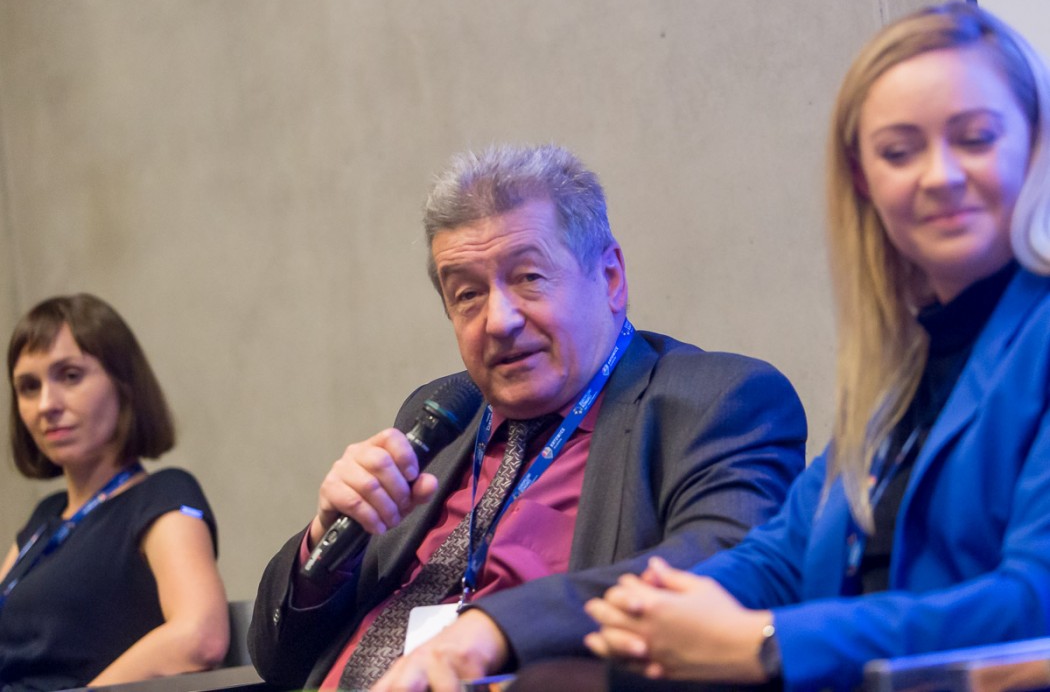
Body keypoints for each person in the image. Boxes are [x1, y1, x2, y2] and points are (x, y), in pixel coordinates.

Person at [582, 0, 1050, 691]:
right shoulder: (903, 366)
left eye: (975, 138)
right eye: (899, 152)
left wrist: (768, 643)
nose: (941, 175)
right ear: (863, 179)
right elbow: (785, 554)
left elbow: (1034, 601)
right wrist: (666, 608)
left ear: (1035, 143)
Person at [247, 143, 807, 691]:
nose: (499, 320)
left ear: (610, 277)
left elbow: (726, 564)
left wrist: (497, 627)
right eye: (468, 294)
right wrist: (328, 542)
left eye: (529, 278)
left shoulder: (717, 400)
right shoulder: (439, 413)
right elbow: (278, 660)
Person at [0, 294, 229, 690]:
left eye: (70, 376)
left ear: (125, 386)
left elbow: (199, 636)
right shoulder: (46, 516)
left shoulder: (163, 495)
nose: (46, 405)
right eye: (29, 387)